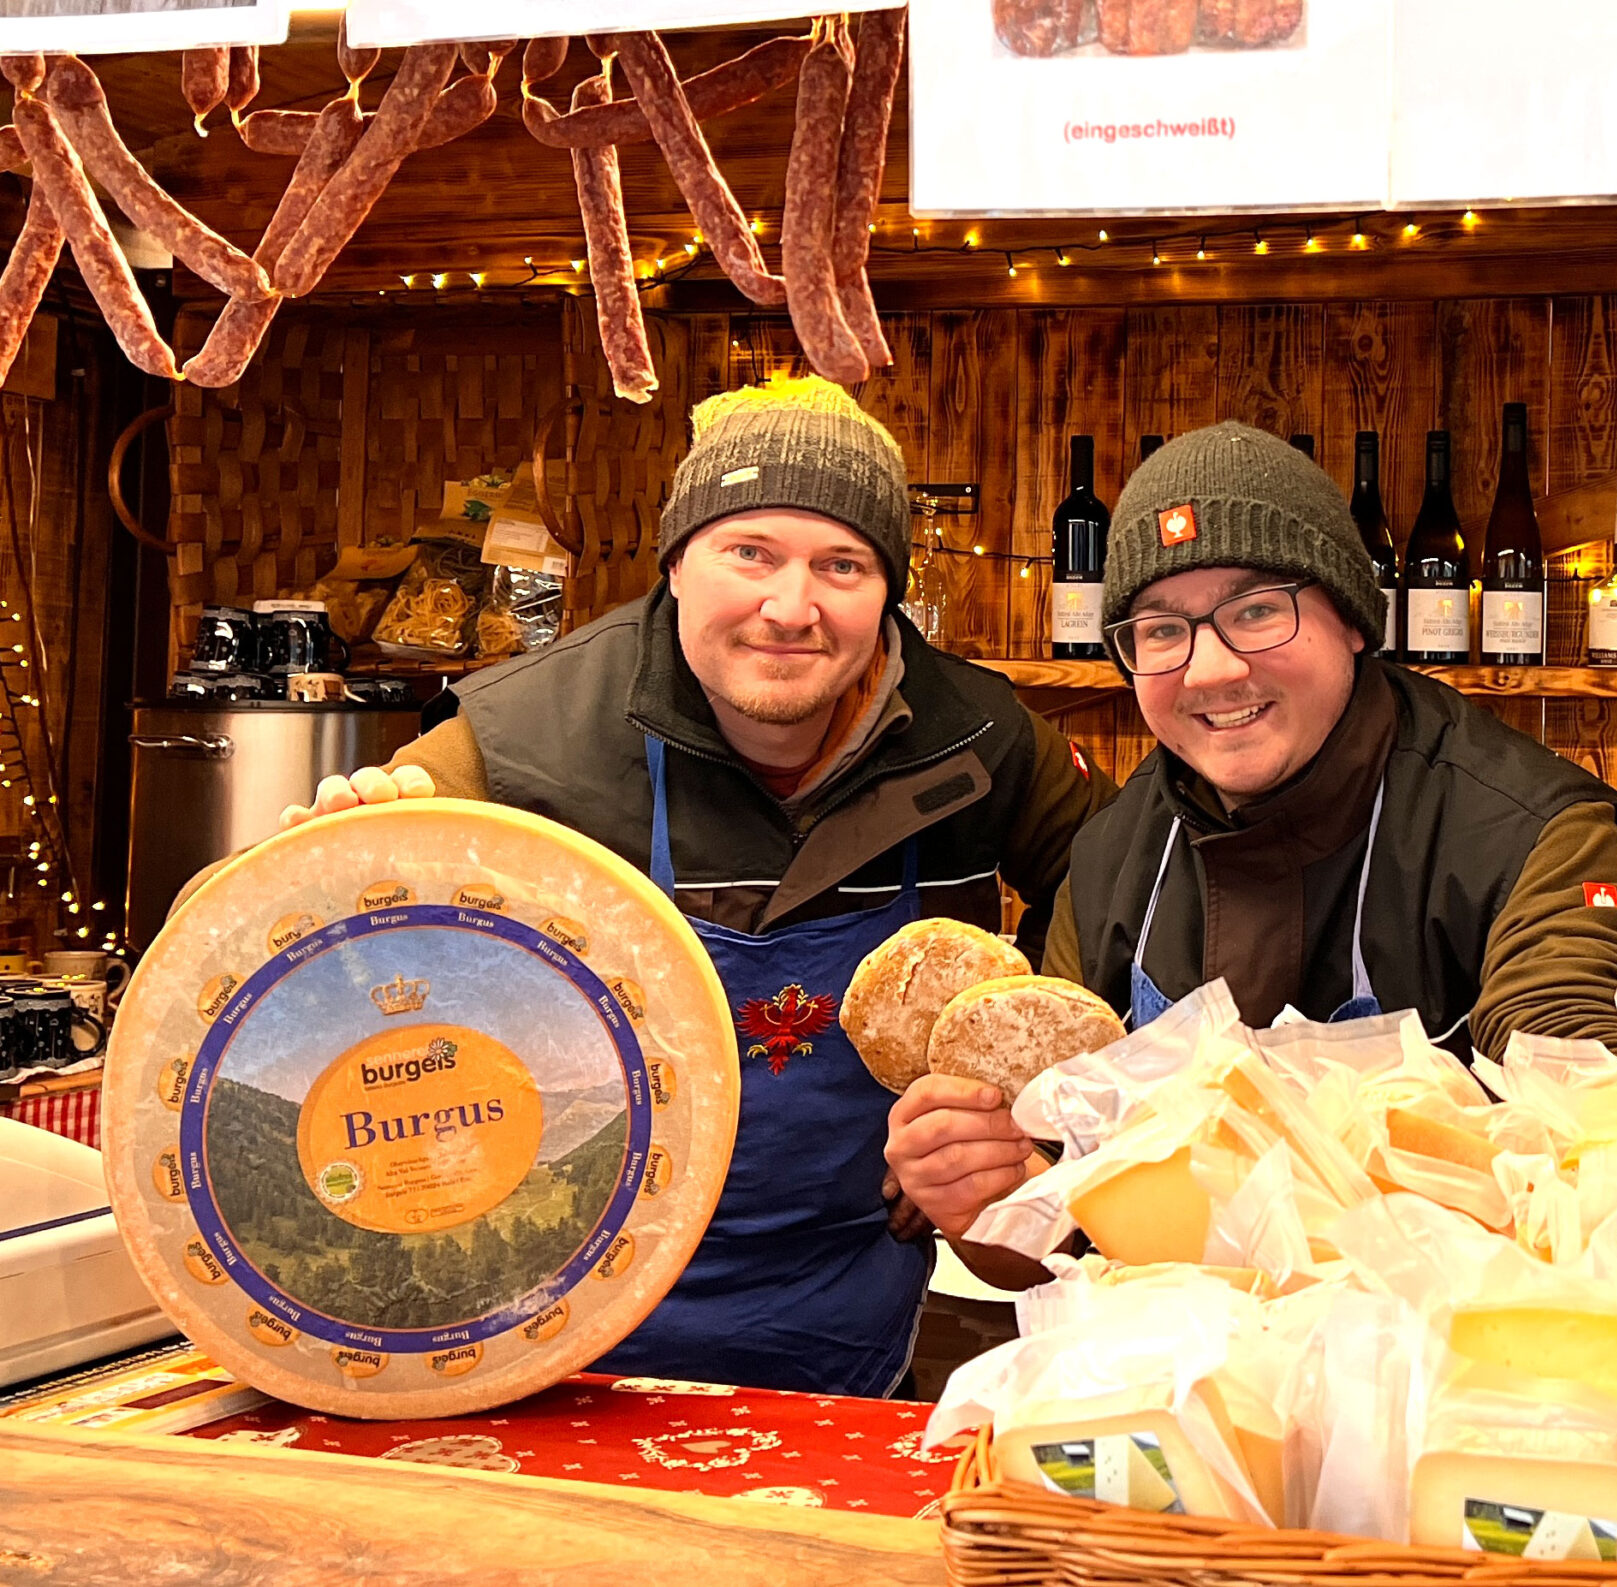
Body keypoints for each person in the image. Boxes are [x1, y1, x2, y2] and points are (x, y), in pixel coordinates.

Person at [284, 376, 1112, 1394]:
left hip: (844, 1301)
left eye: (841, 564)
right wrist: (332, 870)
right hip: (551, 1319)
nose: (790, 607)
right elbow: (297, 953)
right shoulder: (520, 740)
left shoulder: (980, 739)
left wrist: (1020, 1117)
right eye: (749, 553)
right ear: (678, 561)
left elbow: (1117, 881)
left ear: (887, 586)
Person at [885, 421, 1617, 1254]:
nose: (1211, 668)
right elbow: (1059, 1226)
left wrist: (1579, 1117)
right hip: (1174, 1371)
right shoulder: (1113, 857)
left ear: (1354, 619)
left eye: (1256, 610)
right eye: (1160, 630)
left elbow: (1589, 1094)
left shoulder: (1532, 832)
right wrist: (991, 1201)